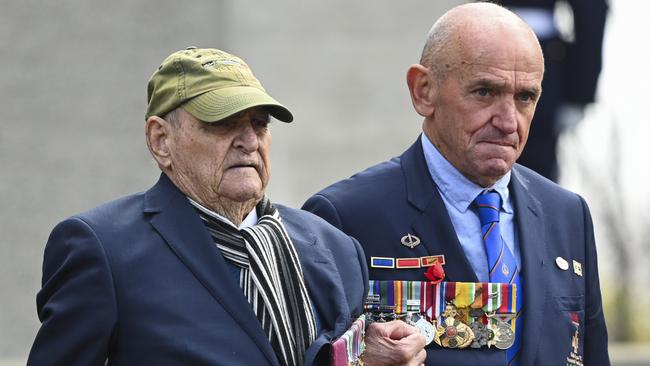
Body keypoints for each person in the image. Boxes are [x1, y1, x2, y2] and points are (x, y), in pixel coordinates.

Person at [28, 48, 425, 365]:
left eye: (260, 123)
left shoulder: (336, 247)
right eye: (222, 123)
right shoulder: (103, 248)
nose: (249, 140)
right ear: (161, 140)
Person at [303, 3, 609, 366]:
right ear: (423, 91)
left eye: (525, 97)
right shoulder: (342, 218)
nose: (508, 121)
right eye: (484, 92)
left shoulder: (568, 215)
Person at [503, 0, 608, 181]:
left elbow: (591, 9)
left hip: (543, 65)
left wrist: (579, 93)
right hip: (478, 50)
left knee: (534, 177)